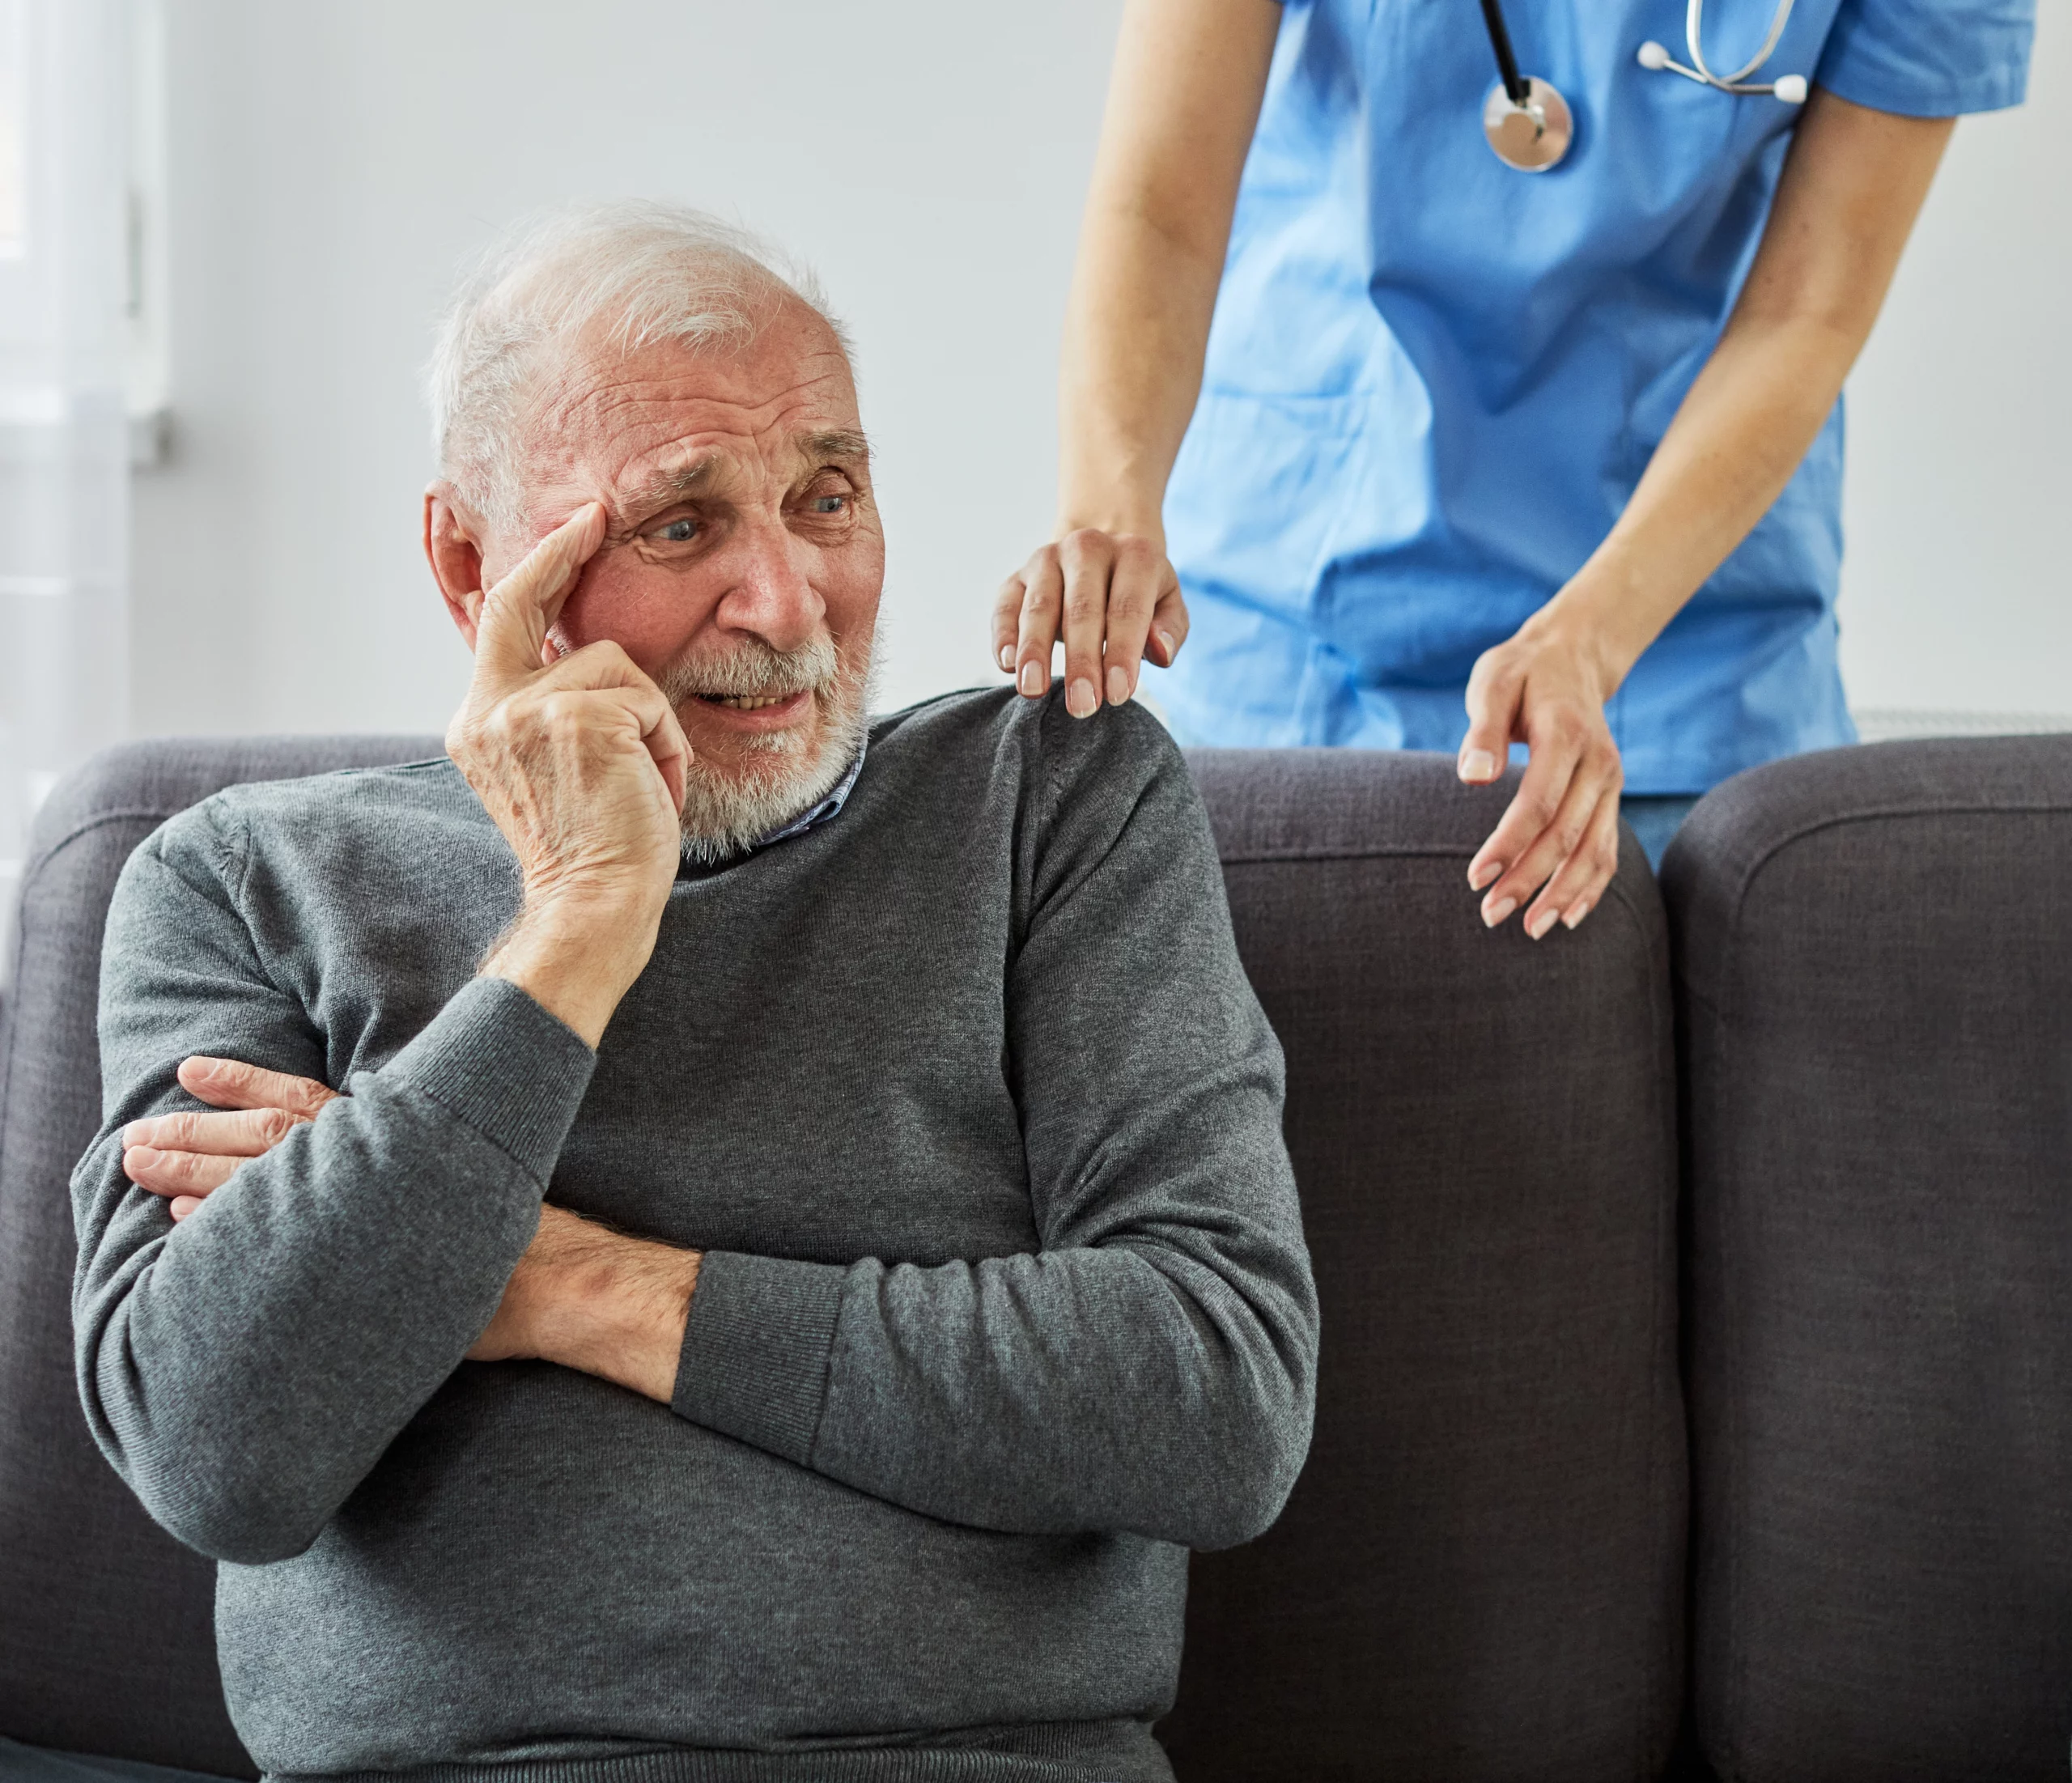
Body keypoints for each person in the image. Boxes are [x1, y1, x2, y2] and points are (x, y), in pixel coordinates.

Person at [70, 203, 1318, 1783]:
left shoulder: (1047, 806)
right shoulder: (241, 880)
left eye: (826, 496)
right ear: (469, 561)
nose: (787, 604)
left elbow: (1214, 1396)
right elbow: (219, 1449)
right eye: (678, 527)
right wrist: (576, 933)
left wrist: (568, 1284)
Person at [995, 0, 2034, 930]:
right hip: (1297, 640)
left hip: (1684, 666)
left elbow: (1807, 311)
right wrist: (1111, 506)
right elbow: (1163, 205)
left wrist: (1595, 637)